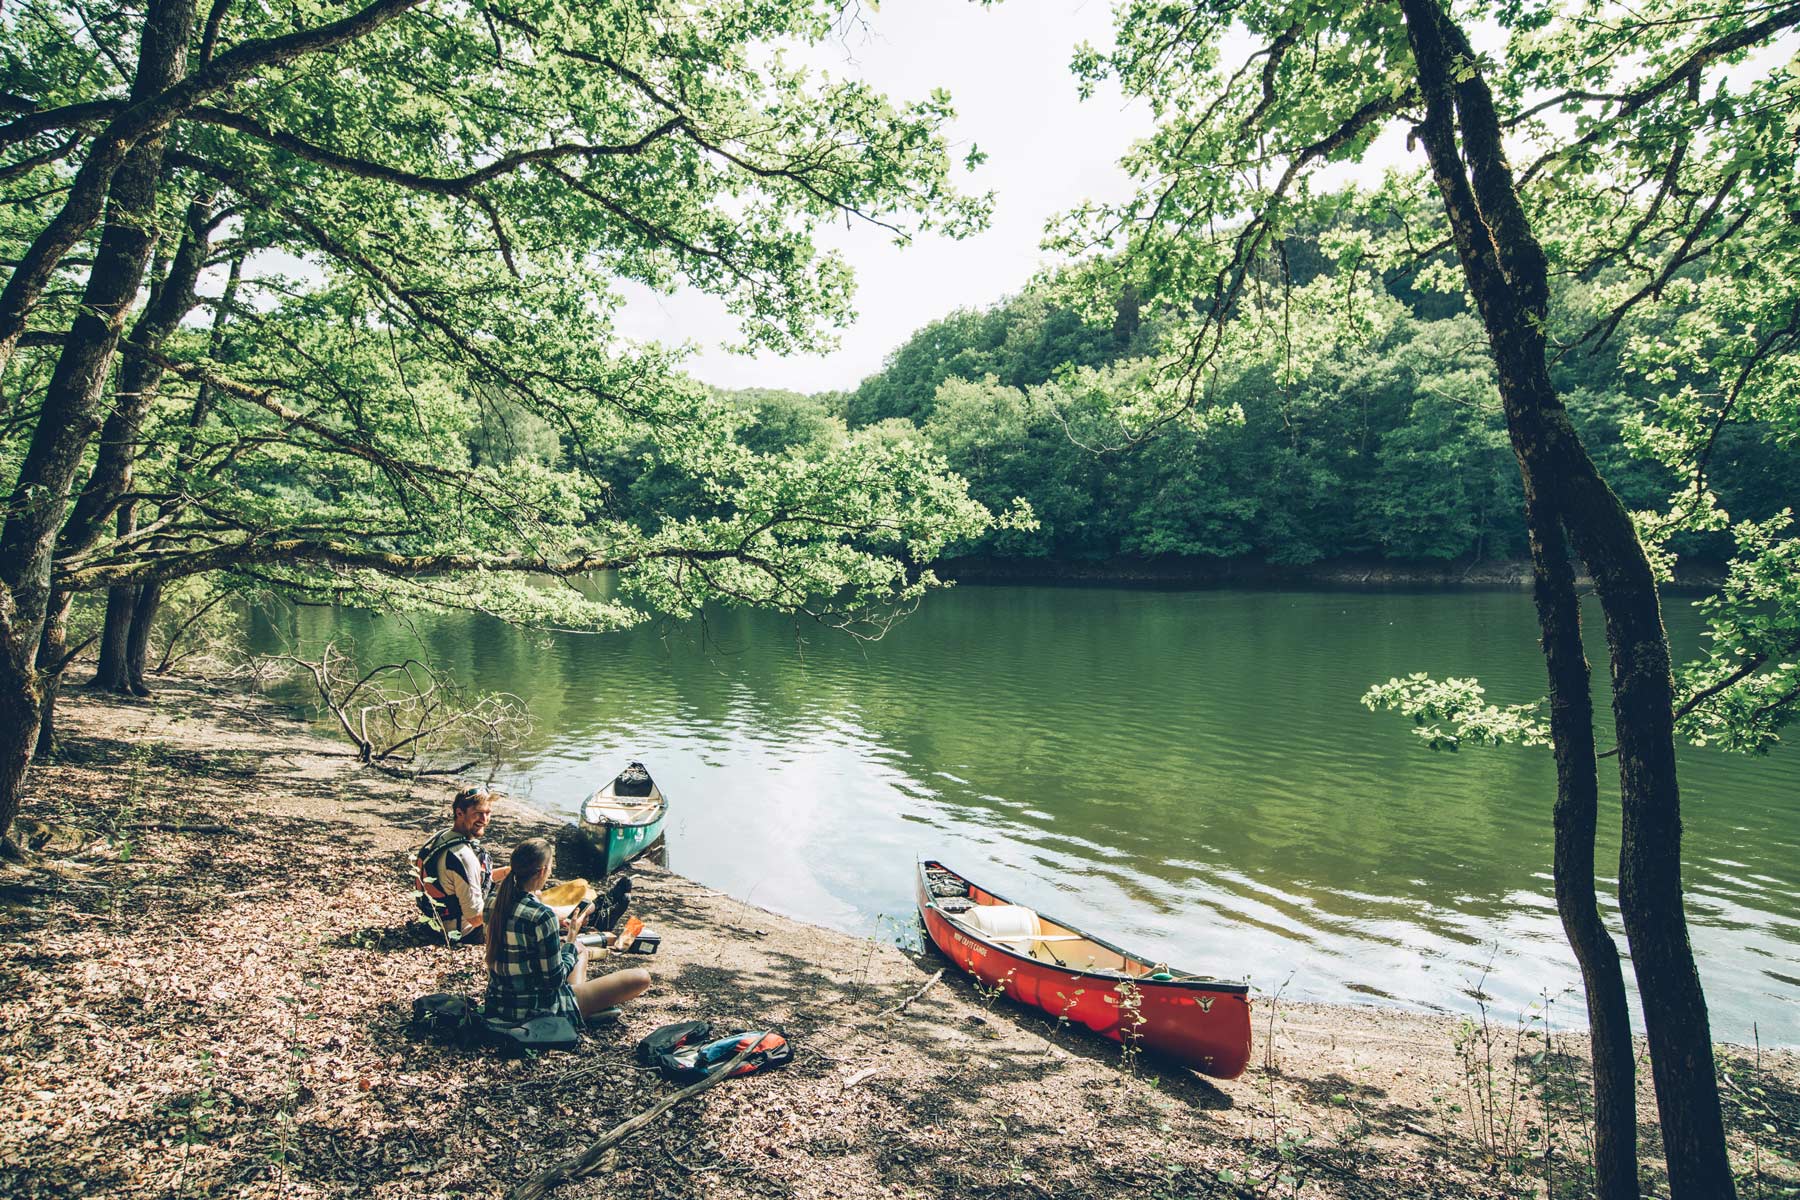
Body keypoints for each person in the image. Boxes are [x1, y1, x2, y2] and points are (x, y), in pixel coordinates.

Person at [485, 837, 652, 1025]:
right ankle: (580, 1012)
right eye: (550, 866)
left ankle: (582, 1008)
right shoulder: (542, 916)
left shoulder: (493, 902)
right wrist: (571, 939)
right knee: (641, 977)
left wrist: (572, 945)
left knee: (580, 949)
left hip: (497, 1003)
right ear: (542, 871)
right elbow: (555, 980)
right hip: (538, 1009)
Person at [415, 786, 509, 943]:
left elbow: (459, 882)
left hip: (432, 923)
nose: (484, 820)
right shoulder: (463, 856)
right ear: (459, 813)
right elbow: (475, 918)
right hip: (460, 932)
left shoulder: (440, 838)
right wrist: (509, 906)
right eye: (478, 813)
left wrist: (507, 872)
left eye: (488, 813)